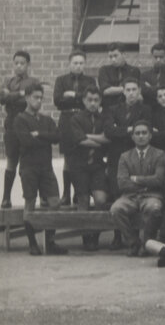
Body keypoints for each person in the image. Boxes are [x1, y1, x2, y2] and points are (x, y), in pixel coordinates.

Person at [15, 83, 68, 255]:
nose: (38, 100)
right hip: (29, 168)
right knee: (30, 203)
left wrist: (39, 134)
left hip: (46, 168)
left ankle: (50, 241)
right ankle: (32, 244)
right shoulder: (20, 119)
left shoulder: (47, 120)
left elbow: (58, 137)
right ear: (27, 98)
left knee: (55, 203)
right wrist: (46, 139)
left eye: (40, 98)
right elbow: (26, 142)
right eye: (35, 97)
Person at [110, 120, 165, 256]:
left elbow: (159, 180)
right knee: (116, 209)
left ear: (150, 136)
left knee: (154, 208)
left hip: (152, 195)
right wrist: (146, 184)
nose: (141, 136)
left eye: (144, 133)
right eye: (137, 133)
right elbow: (122, 183)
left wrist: (135, 179)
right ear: (132, 137)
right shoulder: (125, 156)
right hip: (130, 196)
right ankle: (133, 243)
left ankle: (146, 243)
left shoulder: (159, 154)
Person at [65, 86, 111, 250]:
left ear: (100, 101)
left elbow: (108, 138)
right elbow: (80, 141)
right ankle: (86, 238)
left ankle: (95, 235)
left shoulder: (105, 118)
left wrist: (88, 136)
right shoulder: (76, 118)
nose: (92, 103)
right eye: (89, 100)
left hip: (97, 165)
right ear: (84, 101)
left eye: (96, 100)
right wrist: (98, 140)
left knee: (101, 200)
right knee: (83, 200)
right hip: (79, 165)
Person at [54, 50, 97, 206]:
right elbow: (58, 101)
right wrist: (80, 97)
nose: (78, 66)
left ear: (84, 64)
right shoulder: (61, 80)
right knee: (68, 158)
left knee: (81, 156)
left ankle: (80, 193)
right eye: (75, 63)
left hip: (84, 119)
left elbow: (91, 98)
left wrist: (72, 95)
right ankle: (66, 193)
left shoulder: (90, 80)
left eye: (81, 63)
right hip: (66, 119)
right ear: (69, 64)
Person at [2, 50, 41, 208]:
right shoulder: (8, 81)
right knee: (11, 160)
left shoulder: (33, 82)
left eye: (22, 63)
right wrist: (20, 93)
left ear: (28, 65)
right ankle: (6, 198)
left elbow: (30, 101)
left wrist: (11, 96)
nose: (19, 66)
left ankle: (29, 199)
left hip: (27, 122)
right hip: (11, 123)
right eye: (16, 63)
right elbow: (2, 98)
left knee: (28, 162)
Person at [97, 42, 142, 110]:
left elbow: (138, 93)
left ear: (124, 54)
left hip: (129, 109)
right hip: (109, 108)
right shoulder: (104, 70)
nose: (113, 59)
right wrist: (127, 89)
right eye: (110, 57)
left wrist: (114, 89)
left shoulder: (134, 71)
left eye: (115, 56)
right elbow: (105, 91)